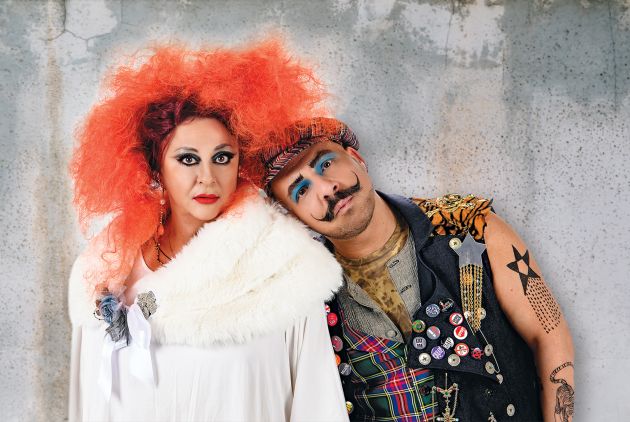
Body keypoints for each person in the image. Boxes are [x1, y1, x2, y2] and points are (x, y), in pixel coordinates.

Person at [67, 41, 348, 421]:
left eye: (222, 157)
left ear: (240, 162)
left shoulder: (287, 271)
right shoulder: (99, 273)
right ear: (155, 168)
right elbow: (89, 405)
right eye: (187, 159)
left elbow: (318, 407)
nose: (207, 177)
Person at [259, 117, 575, 421]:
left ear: (356, 158)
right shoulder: (307, 298)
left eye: (326, 164)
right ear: (294, 218)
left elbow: (549, 336)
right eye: (301, 190)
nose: (326, 189)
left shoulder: (470, 227)